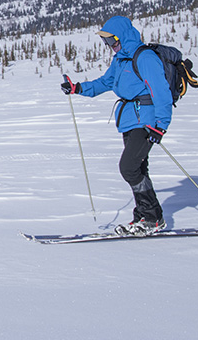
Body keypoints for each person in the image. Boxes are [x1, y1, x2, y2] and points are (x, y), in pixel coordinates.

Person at [61, 15, 171, 235]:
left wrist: (161, 125)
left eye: (112, 41)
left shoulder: (145, 57)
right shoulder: (120, 60)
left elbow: (161, 92)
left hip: (146, 121)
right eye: (106, 42)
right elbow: (106, 82)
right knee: (138, 168)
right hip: (129, 121)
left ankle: (152, 217)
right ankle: (144, 215)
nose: (110, 46)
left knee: (128, 167)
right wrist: (78, 88)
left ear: (123, 37)